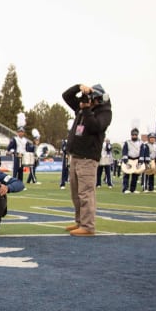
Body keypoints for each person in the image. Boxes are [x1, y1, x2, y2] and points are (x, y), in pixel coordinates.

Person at [62, 83, 112, 236]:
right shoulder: (83, 108)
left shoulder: (104, 112)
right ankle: (80, 221)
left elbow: (95, 127)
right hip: (76, 155)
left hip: (88, 157)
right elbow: (66, 96)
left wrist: (86, 110)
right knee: (76, 193)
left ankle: (88, 226)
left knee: (85, 193)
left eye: (92, 97)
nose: (90, 100)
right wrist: (79, 87)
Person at [121, 128, 145, 194]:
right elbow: (124, 152)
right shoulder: (127, 142)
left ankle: (133, 189)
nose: (134, 136)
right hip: (129, 159)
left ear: (137, 135)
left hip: (136, 160)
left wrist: (140, 162)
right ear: (131, 135)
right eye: (133, 135)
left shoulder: (141, 143)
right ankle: (125, 189)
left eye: (135, 135)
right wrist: (126, 162)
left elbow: (142, 152)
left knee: (135, 175)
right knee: (126, 174)